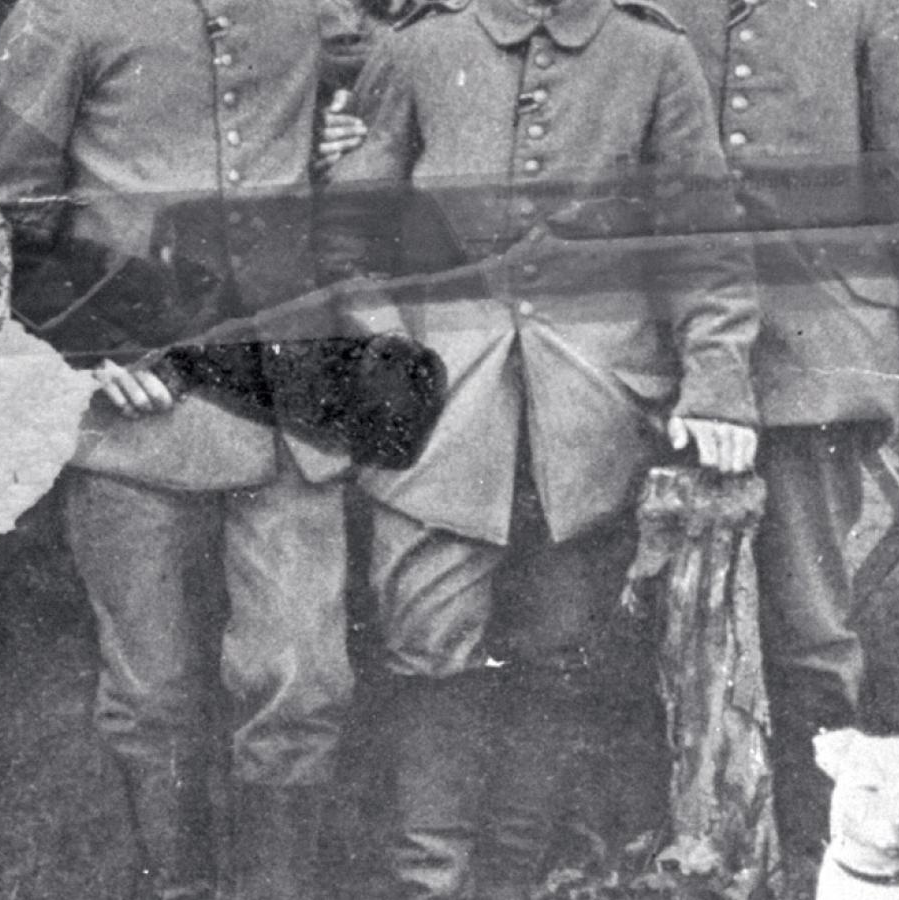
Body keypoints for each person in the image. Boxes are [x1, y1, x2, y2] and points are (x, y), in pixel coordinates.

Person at [318, 1, 759, 896]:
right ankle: (429, 881)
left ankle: (511, 879)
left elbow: (704, 241)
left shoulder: (652, 54)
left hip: (592, 413)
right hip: (437, 416)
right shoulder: (421, 47)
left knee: (559, 656)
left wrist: (717, 379)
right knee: (426, 642)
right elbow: (345, 238)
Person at [0, 2, 371, 898]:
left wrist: (346, 135)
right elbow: (2, 218)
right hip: (138, 408)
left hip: (288, 403)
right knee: (151, 695)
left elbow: (389, 63)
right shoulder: (61, 17)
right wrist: (85, 344)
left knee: (303, 682)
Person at [654, 0, 899, 883]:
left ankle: (816, 862)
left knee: (808, 628)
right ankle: (676, 854)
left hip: (819, 350)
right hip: (666, 349)